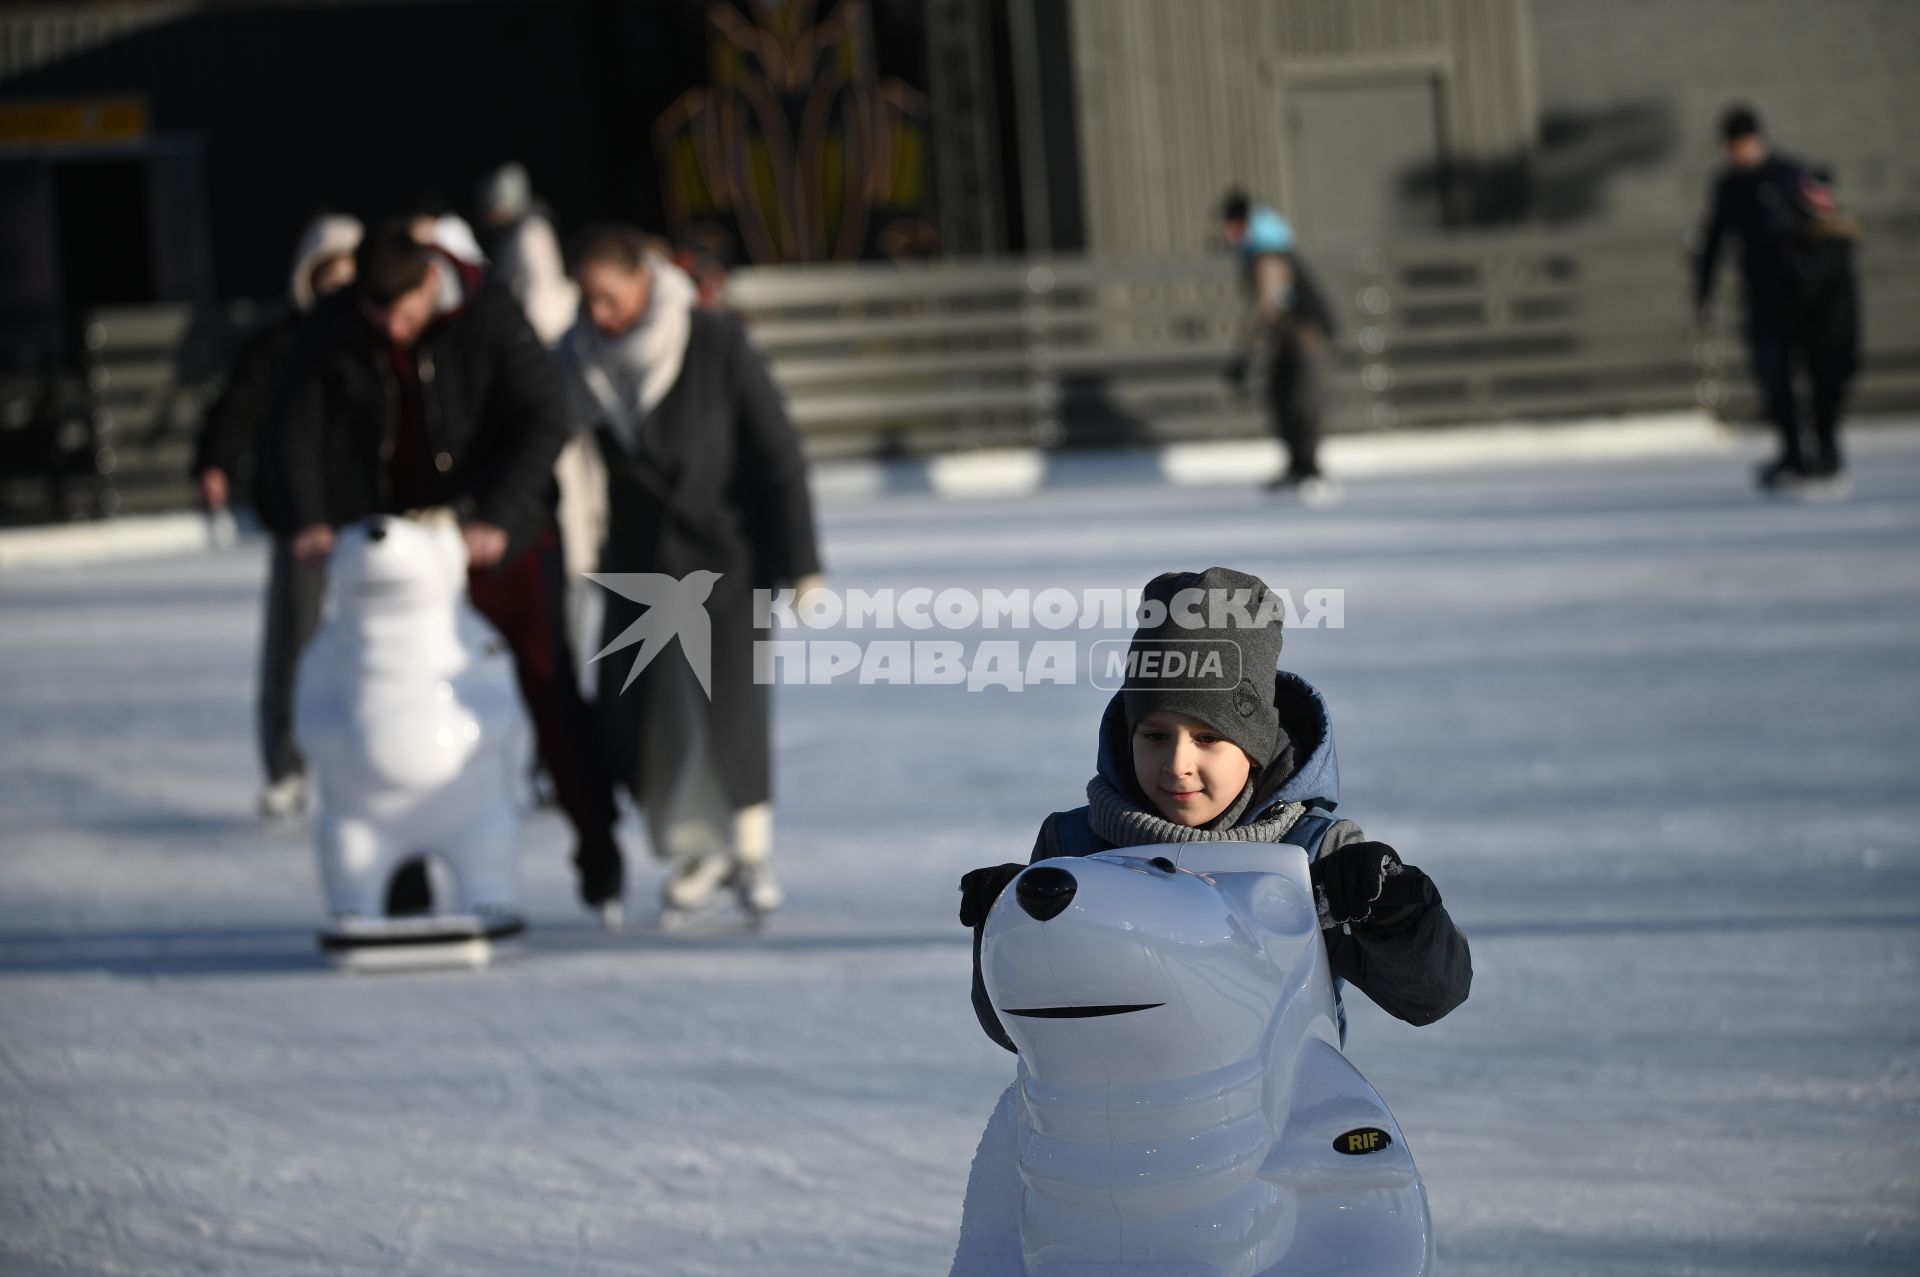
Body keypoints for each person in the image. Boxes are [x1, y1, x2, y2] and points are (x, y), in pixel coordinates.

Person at [958, 566, 1471, 1055]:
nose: (1177, 764)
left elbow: (1431, 996)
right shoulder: (1073, 847)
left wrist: (1397, 911)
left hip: (1279, 1106)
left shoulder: (1314, 852)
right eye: (1155, 736)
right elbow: (1016, 1030)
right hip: (1105, 1105)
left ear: (1255, 747)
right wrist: (1008, 932)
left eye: (1208, 738)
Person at [276, 219, 624, 915]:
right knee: (391, 700)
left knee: (546, 686)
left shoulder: (488, 310)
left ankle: (596, 841)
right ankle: (401, 872)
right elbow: (296, 429)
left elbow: (543, 418)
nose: (394, 331)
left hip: (500, 541)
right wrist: (310, 515)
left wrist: (494, 516)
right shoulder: (334, 327)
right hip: (396, 560)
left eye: (404, 315)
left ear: (430, 284)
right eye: (379, 317)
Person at [558, 222, 821, 920]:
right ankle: (697, 849)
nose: (599, 314)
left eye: (610, 297)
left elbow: (778, 452)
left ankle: (751, 851)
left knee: (732, 710)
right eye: (588, 300)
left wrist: (801, 563)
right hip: (639, 568)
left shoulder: (713, 341)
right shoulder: (577, 357)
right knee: (650, 718)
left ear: (643, 281)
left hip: (726, 559)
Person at [192, 213, 362, 819]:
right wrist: (215, 462)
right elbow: (236, 408)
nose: (338, 289)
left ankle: (380, 757)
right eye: (327, 278)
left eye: (349, 276)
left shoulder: (379, 344)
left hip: (368, 517)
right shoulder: (279, 346)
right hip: (301, 520)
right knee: (295, 643)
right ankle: (287, 767)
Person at [1694, 104, 1861, 491]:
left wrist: (1818, 280)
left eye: (1744, 143)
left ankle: (1826, 451)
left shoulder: (1791, 175)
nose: (1739, 152)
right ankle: (1792, 453)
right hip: (1764, 299)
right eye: (1733, 146)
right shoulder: (1728, 187)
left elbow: (1833, 225)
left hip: (1808, 299)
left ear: (1757, 140)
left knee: (1823, 377)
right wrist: (1703, 292)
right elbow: (1714, 240)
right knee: (1773, 379)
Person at [1218, 190, 1341, 503]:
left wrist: (1245, 354)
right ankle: (1297, 467)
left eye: (1233, 226)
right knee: (1281, 398)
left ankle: (1310, 470)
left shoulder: (1268, 254)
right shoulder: (1262, 251)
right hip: (1288, 341)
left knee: (1302, 403)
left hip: (1306, 340)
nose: (1228, 234)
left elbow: (1266, 307)